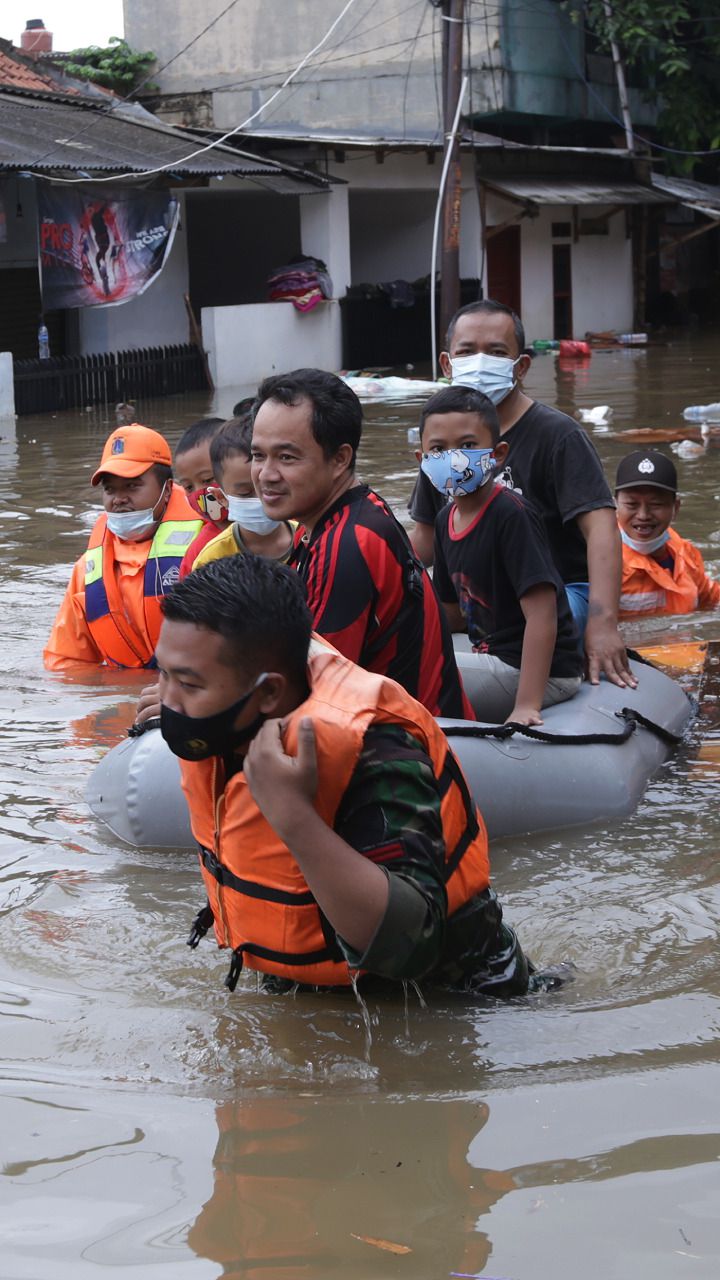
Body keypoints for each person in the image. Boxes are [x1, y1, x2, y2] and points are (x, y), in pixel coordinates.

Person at [156, 553, 530, 996]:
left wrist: (294, 818)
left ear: (270, 691)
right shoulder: (223, 725)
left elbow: (411, 947)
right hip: (313, 987)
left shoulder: (376, 745)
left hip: (453, 998)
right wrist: (185, 688)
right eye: (162, 674)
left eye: (189, 683)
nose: (167, 701)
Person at [408, 299, 634, 689]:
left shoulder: (557, 435)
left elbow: (602, 530)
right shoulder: (442, 445)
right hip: (479, 593)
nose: (480, 362)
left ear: (521, 365)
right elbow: (425, 540)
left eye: (496, 352)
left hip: (558, 593)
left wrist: (603, 623)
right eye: (467, 351)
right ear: (447, 365)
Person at [250, 367, 472, 720]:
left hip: (416, 747)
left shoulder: (347, 545)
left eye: (287, 457)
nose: (266, 474)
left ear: (340, 459)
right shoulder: (351, 515)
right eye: (258, 455)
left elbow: (317, 695)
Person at [421, 386, 583, 725]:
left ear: (497, 454)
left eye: (467, 446)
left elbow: (542, 615)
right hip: (490, 652)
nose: (454, 458)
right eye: (438, 449)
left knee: (408, 672)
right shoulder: (443, 520)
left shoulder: (512, 515)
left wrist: (526, 705)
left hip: (540, 671)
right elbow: (452, 615)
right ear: (421, 459)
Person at [43, 424, 202, 670]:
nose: (118, 499)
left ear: (168, 489)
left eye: (132, 486)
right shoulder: (87, 569)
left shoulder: (206, 547)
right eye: (110, 489)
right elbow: (66, 664)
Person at [615, 449, 720, 619]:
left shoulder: (686, 554)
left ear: (675, 508)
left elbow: (712, 601)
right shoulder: (601, 563)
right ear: (615, 506)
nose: (643, 515)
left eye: (656, 504)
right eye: (632, 504)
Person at [193, 414, 295, 569]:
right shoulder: (211, 560)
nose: (261, 499)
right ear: (221, 497)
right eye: (246, 493)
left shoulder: (309, 538)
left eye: (269, 486)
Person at [173, 416, 229, 577]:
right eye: (189, 487)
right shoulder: (199, 551)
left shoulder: (285, 525)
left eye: (207, 480)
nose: (199, 493)